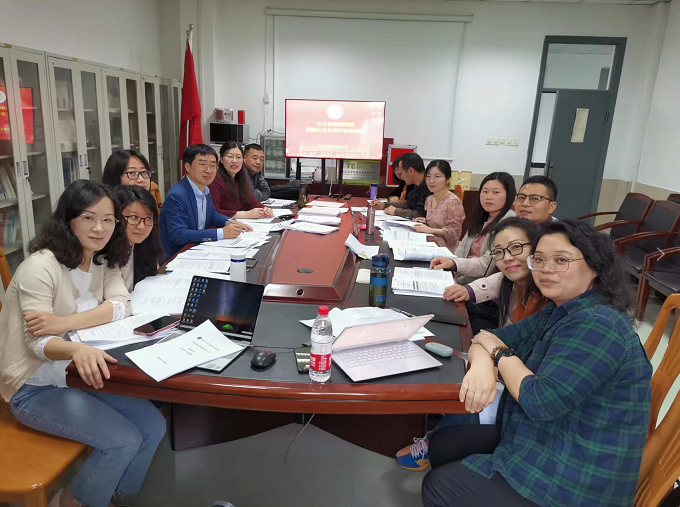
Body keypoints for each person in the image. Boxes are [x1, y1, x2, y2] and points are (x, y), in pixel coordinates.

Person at [422, 219, 652, 507]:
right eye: (539, 259)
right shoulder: (562, 309)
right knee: (443, 446)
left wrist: (499, 354)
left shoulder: (599, 324)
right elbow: (488, 337)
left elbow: (540, 401)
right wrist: (482, 367)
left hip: (576, 476)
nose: (546, 268)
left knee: (439, 487)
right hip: (547, 433)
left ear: (595, 267)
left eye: (561, 260)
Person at [0, 180, 166, 507]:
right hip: (34, 385)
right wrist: (75, 348)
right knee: (122, 441)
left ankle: (113, 495)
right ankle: (75, 500)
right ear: (68, 219)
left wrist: (64, 324)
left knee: (153, 425)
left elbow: (122, 305)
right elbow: (38, 344)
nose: (99, 228)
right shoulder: (40, 267)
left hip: (78, 374)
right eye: (89, 218)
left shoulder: (102, 260)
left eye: (108, 220)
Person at [396, 218, 546, 471]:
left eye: (516, 248)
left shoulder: (551, 297)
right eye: (500, 252)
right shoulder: (517, 282)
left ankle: (438, 437)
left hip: (525, 388)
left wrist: (493, 359)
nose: (507, 258)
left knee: (472, 391)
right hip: (511, 364)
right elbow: (497, 326)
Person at [430, 176, 557, 332]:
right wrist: (454, 264)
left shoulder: (556, 239)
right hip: (504, 305)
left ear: (551, 206)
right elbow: (491, 261)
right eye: (521, 197)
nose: (525, 203)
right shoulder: (510, 227)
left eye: (535, 198)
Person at [160, 144, 252, 260]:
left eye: (213, 166)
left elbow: (212, 215)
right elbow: (178, 234)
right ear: (187, 166)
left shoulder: (205, 189)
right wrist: (221, 233)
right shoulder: (177, 195)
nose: (209, 170)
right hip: (178, 257)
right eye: (202, 164)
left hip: (199, 248)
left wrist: (229, 222)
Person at [453, 172, 517, 285]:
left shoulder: (509, 222)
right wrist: (452, 271)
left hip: (481, 284)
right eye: (485, 191)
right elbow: (462, 248)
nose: (488, 197)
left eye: (496, 192)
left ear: (509, 195)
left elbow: (487, 267)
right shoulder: (481, 216)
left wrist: (455, 269)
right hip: (462, 275)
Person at [115, 185, 163, 291]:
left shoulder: (145, 247)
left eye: (148, 218)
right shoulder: (104, 255)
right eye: (134, 217)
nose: (142, 226)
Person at [410, 160, 465, 252]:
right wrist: (426, 220)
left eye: (437, 176)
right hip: (428, 242)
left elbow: (454, 233)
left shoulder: (453, 202)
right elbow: (436, 221)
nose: (431, 181)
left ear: (447, 179)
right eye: (428, 176)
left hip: (444, 249)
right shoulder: (429, 199)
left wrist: (429, 230)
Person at [208, 142, 274, 218]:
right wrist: (245, 214)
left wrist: (265, 209)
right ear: (222, 159)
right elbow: (213, 211)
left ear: (243, 159)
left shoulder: (241, 177)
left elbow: (251, 201)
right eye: (230, 156)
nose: (234, 161)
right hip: (224, 223)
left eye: (238, 157)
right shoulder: (215, 179)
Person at [370, 153, 431, 218]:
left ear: (410, 171)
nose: (401, 177)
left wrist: (395, 211)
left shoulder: (430, 187)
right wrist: (384, 205)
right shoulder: (417, 185)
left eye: (401, 173)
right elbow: (408, 203)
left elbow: (421, 214)